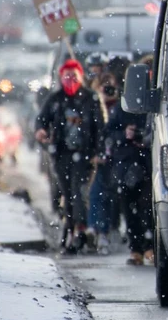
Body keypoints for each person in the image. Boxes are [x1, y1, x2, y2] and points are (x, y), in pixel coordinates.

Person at [35, 60, 105, 254]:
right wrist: (41, 130)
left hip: (83, 155)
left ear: (80, 77)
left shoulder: (91, 98)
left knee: (78, 191)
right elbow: (42, 118)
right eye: (67, 76)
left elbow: (99, 127)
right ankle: (71, 228)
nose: (70, 80)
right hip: (62, 154)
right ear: (61, 77)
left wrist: (99, 151)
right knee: (67, 193)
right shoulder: (56, 99)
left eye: (74, 76)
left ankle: (79, 230)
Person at [106, 67, 154, 266]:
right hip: (125, 164)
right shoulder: (121, 107)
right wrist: (124, 135)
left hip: (147, 163)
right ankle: (136, 249)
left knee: (147, 208)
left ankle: (150, 246)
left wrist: (146, 138)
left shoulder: (152, 106)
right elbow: (109, 133)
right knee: (129, 208)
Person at [86, 73, 118, 255]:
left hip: (115, 158)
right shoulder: (93, 106)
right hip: (97, 159)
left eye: (109, 86)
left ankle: (103, 230)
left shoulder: (118, 107)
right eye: (102, 86)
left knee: (107, 196)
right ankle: (92, 228)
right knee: (95, 193)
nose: (106, 90)